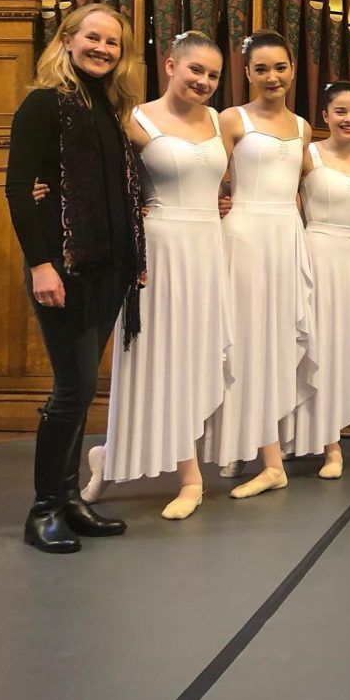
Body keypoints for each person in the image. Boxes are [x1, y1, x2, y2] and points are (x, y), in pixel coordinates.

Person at [68, 32, 232, 519]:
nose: (203, 81)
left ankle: (109, 456)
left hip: (208, 249)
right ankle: (190, 476)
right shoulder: (135, 119)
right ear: (170, 65)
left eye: (213, 75)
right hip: (157, 252)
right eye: (195, 70)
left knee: (196, 356)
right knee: (159, 357)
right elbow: (94, 178)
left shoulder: (221, 123)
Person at [5, 3, 144, 553]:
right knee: (71, 389)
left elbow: (121, 189)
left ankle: (68, 499)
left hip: (110, 267)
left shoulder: (109, 108)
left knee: (84, 387)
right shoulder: (44, 104)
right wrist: (41, 263)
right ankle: (43, 509)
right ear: (67, 39)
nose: (103, 49)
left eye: (113, 43)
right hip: (64, 266)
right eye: (94, 38)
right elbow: (19, 189)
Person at [201, 30, 317, 498]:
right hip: (245, 238)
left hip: (286, 238)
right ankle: (254, 451)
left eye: (280, 67)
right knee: (245, 345)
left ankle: (260, 451)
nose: (273, 76)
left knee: (276, 344)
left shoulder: (305, 127)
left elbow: (297, 185)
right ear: (247, 73)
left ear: (292, 70)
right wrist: (221, 203)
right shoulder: (230, 119)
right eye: (262, 69)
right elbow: (207, 175)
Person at [283, 81, 350, 479]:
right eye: (340, 111)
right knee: (307, 346)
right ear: (325, 116)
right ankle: (287, 435)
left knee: (339, 350)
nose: (349, 119)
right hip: (312, 255)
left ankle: (331, 443)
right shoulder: (306, 155)